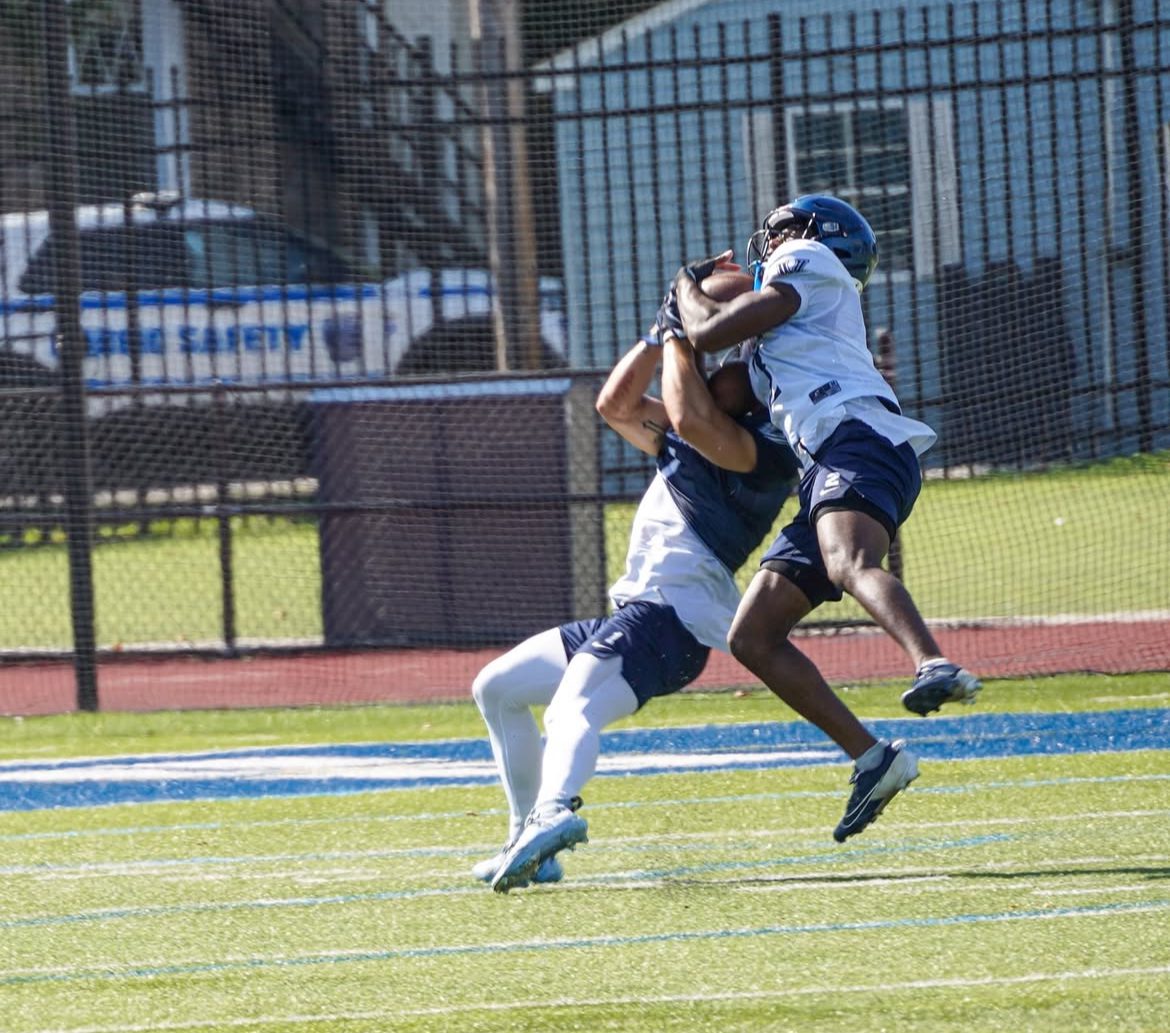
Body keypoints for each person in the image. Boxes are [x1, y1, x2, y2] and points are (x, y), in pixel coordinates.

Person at [667, 194, 980, 843]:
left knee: (848, 561)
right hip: (827, 465)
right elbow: (718, 391)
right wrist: (669, 341)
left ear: (814, 233)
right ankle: (874, 758)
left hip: (859, 438)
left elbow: (706, 332)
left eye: (779, 230)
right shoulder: (783, 337)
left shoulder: (809, 260)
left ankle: (933, 663)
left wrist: (684, 292)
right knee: (753, 634)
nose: (769, 242)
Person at [472, 312, 799, 892]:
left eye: (736, 368)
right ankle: (529, 840)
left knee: (571, 710)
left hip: (673, 616)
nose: (722, 368)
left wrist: (681, 336)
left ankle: (553, 811)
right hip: (638, 611)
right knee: (497, 687)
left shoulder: (765, 449)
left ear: (759, 396)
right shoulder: (696, 431)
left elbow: (691, 411)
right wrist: (659, 329)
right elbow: (614, 406)